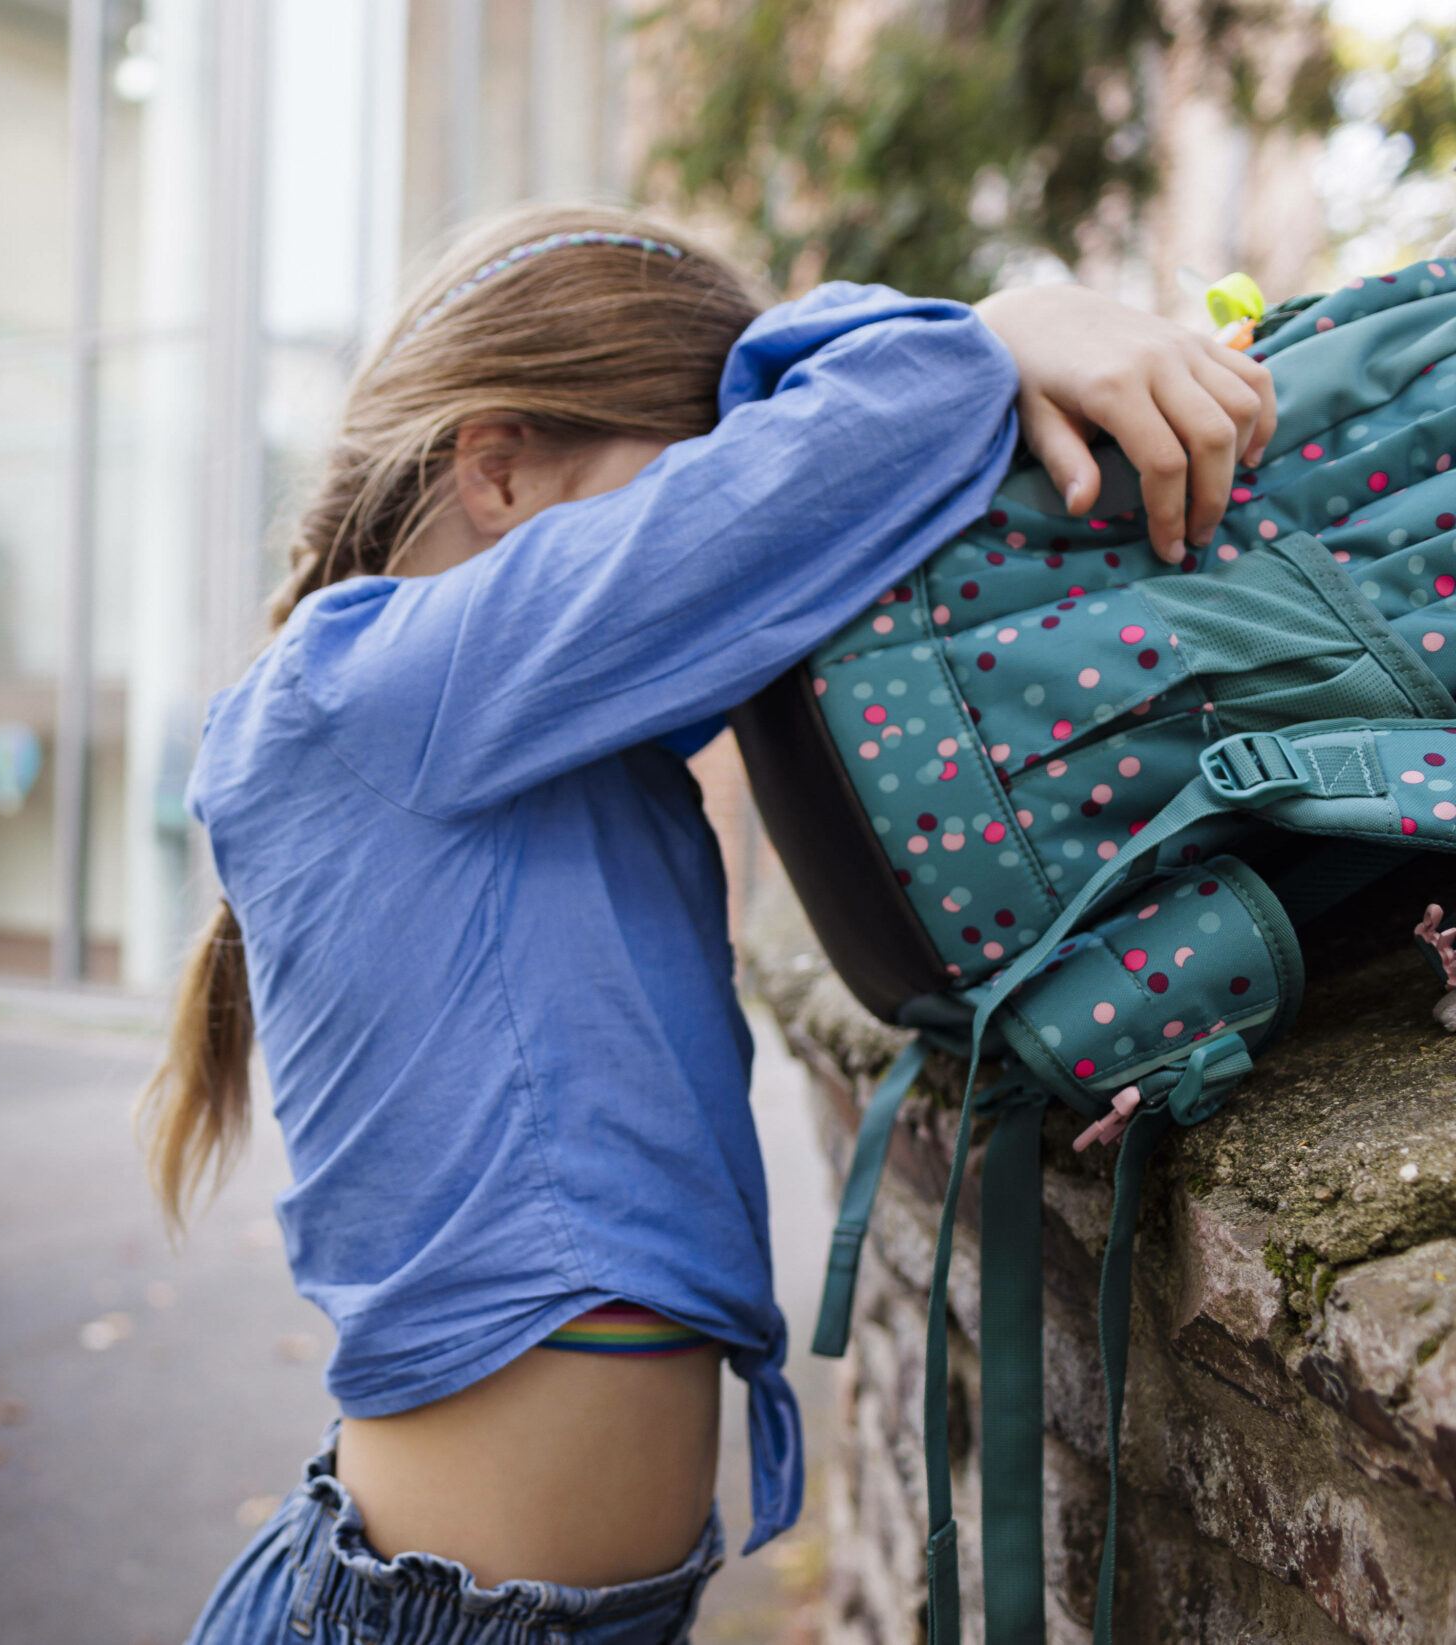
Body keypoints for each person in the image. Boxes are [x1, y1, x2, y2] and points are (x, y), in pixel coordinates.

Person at [145, 203, 1277, 1644]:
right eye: (685, 487)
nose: (727, 572)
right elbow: (811, 480)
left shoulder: (533, 741)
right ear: (497, 470)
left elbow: (802, 524)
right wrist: (997, 332)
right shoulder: (360, 687)